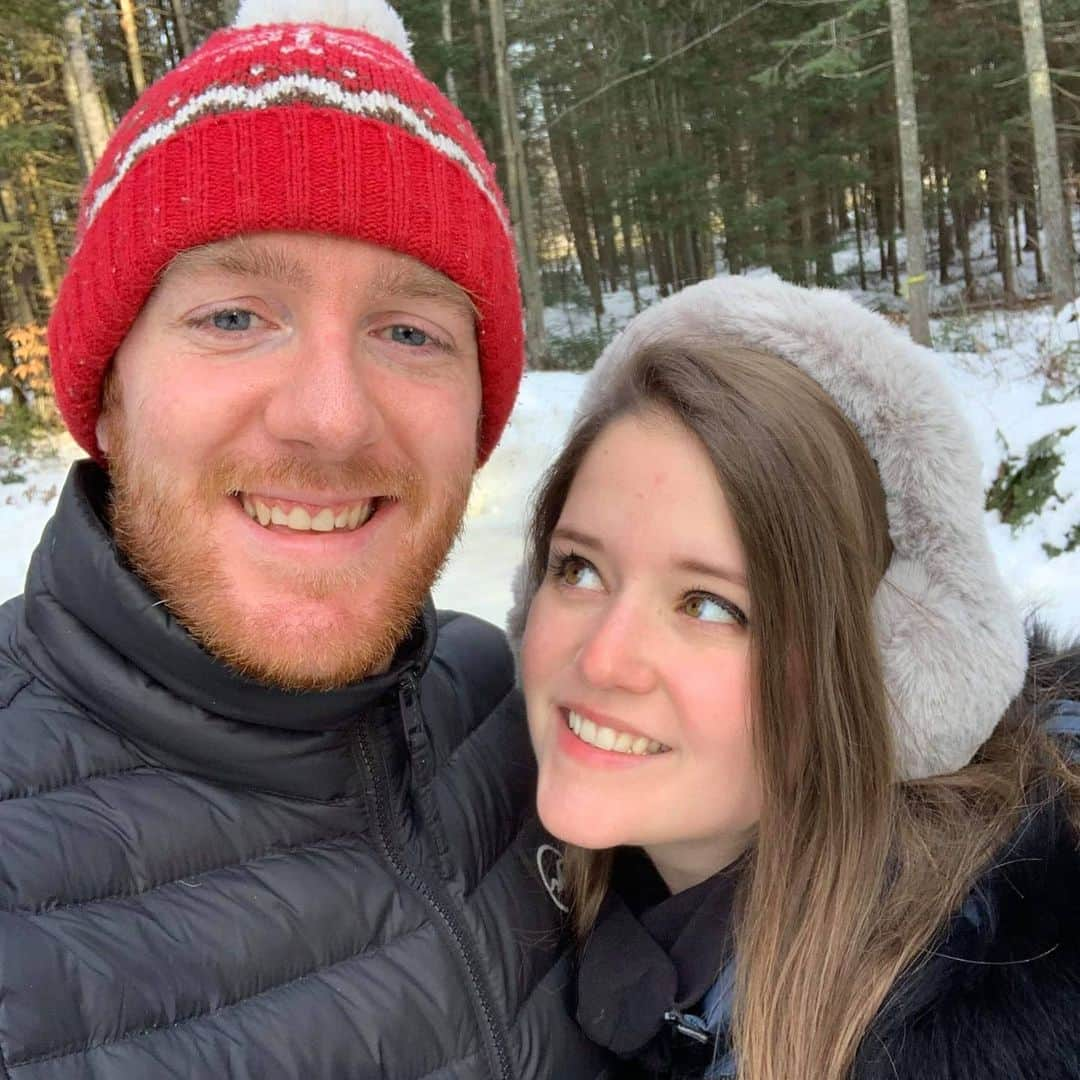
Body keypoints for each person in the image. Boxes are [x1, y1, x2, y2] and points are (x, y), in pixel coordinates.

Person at [0, 1, 612, 1076]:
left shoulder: (528, 716)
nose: (330, 418)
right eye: (235, 316)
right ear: (106, 397)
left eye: (409, 331)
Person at [509, 276, 1080, 1080]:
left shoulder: (994, 1015)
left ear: (873, 667)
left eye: (708, 605)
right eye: (579, 568)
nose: (601, 659)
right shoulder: (540, 892)